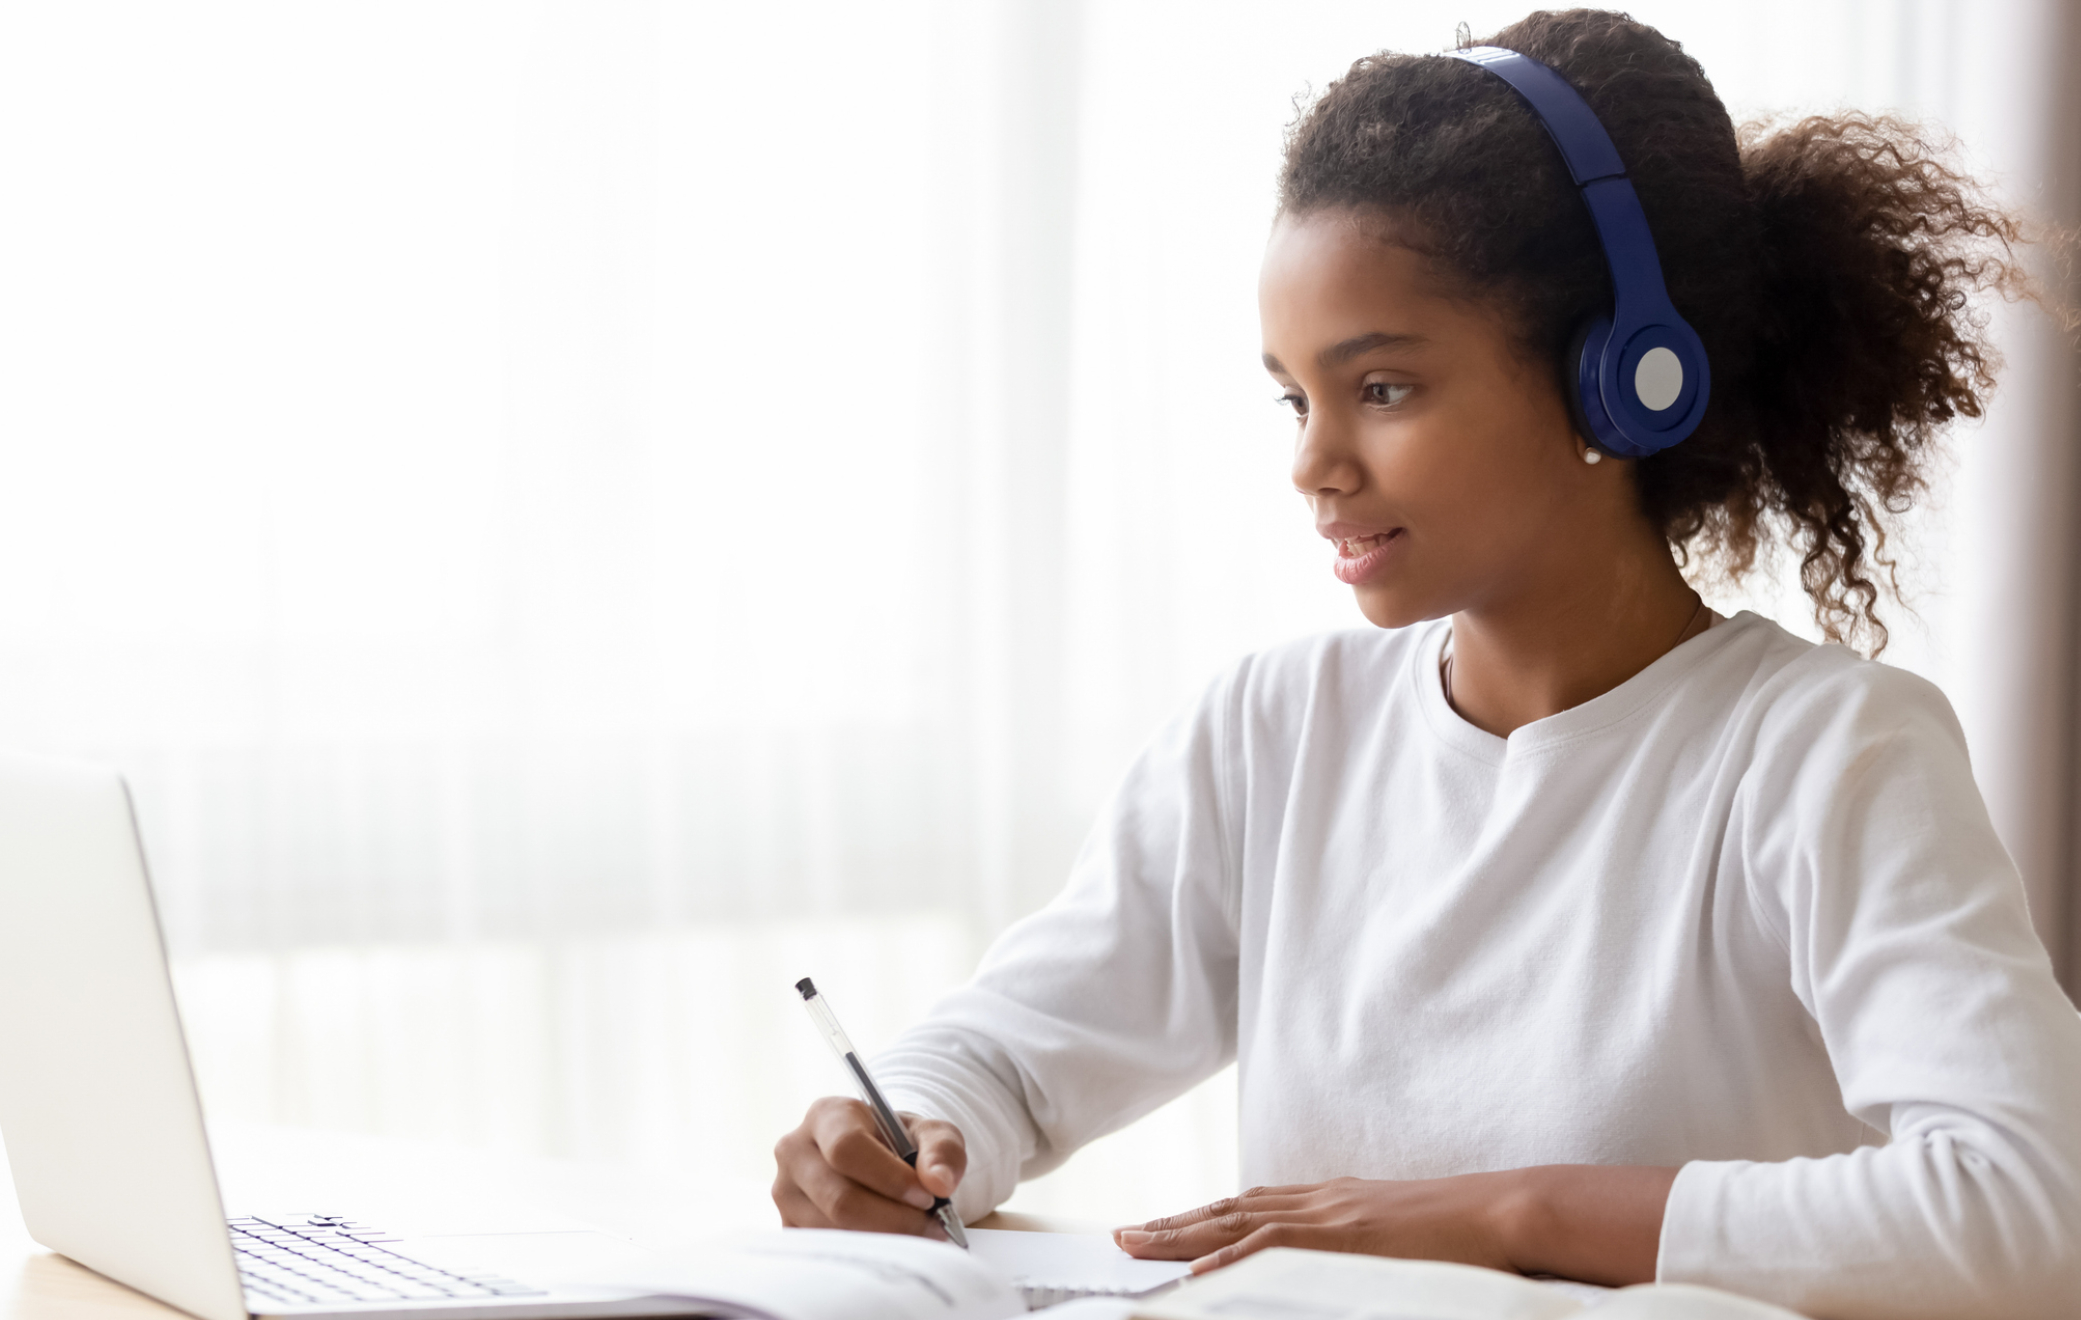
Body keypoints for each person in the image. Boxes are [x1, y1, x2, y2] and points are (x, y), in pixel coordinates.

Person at [770, 10, 2081, 1316]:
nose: (1312, 465)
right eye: (1296, 397)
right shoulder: (1276, 734)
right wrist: (908, 1127)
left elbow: (2033, 1208)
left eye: (1381, 389)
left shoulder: (1828, 756)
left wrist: (1503, 1213)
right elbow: (1013, 1051)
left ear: (1623, 383)